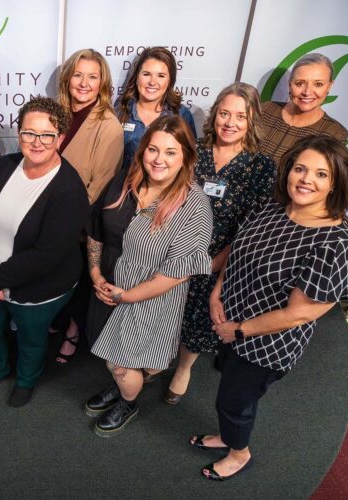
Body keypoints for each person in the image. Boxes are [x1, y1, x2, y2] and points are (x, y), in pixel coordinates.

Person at [192, 135, 348, 480]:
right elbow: (238, 249)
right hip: (231, 320)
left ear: (336, 183)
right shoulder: (271, 205)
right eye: (300, 168)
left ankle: (239, 453)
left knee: (234, 402)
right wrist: (216, 293)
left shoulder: (332, 241)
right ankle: (227, 435)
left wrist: (236, 330)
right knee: (227, 385)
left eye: (321, 174)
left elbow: (299, 313)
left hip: (265, 345)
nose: (306, 179)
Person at [84, 115, 212, 435]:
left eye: (170, 152)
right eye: (153, 149)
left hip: (149, 299)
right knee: (109, 353)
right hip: (108, 288)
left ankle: (129, 401)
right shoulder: (127, 182)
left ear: (186, 156)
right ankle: (123, 386)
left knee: (121, 363)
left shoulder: (194, 205)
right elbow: (96, 229)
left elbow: (177, 272)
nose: (159, 159)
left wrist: (124, 295)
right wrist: (95, 271)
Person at [0, 97, 90, 407]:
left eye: (46, 135)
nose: (37, 142)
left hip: (40, 285)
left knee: (31, 340)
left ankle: (26, 380)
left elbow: (45, 255)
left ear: (60, 139)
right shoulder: (3, 165)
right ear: (19, 134)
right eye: (28, 133)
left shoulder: (69, 188)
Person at [167, 83, 277, 404]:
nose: (230, 122)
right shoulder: (193, 150)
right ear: (215, 114)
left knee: (201, 315)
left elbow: (249, 228)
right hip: (178, 248)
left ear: (252, 121)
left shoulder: (261, 167)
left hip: (223, 257)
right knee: (168, 305)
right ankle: (158, 354)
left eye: (240, 116)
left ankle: (184, 367)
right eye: (225, 113)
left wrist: (216, 263)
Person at [52, 48, 124, 363]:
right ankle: (55, 320)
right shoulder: (54, 112)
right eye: (78, 74)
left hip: (78, 222)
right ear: (67, 78)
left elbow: (101, 185)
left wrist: (67, 222)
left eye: (92, 76)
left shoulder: (108, 124)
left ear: (102, 83)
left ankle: (72, 331)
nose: (84, 83)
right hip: (45, 213)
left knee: (77, 278)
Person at [115, 47, 197, 170]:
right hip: (123, 186)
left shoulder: (181, 115)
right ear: (137, 77)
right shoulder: (119, 111)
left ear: (170, 80)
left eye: (161, 76)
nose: (152, 82)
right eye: (146, 74)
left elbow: (189, 162)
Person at [258, 53, 348, 165]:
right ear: (290, 84)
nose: (307, 92)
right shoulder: (267, 109)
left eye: (318, 84)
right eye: (300, 83)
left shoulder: (335, 133)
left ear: (329, 86)